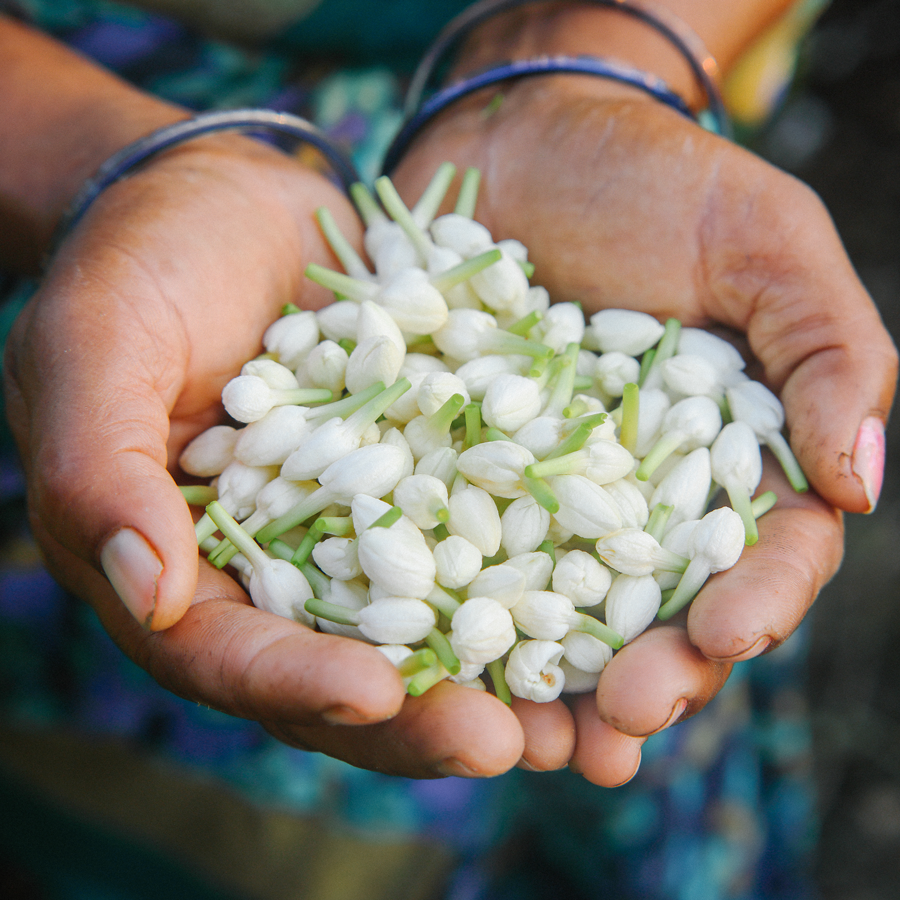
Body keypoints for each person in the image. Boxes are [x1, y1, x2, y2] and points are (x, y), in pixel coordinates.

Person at [0, 0, 896, 896]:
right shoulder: (351, 390)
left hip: (550, 127)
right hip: (138, 275)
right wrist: (92, 162)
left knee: (611, 681)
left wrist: (583, 62)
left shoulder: (592, 440)